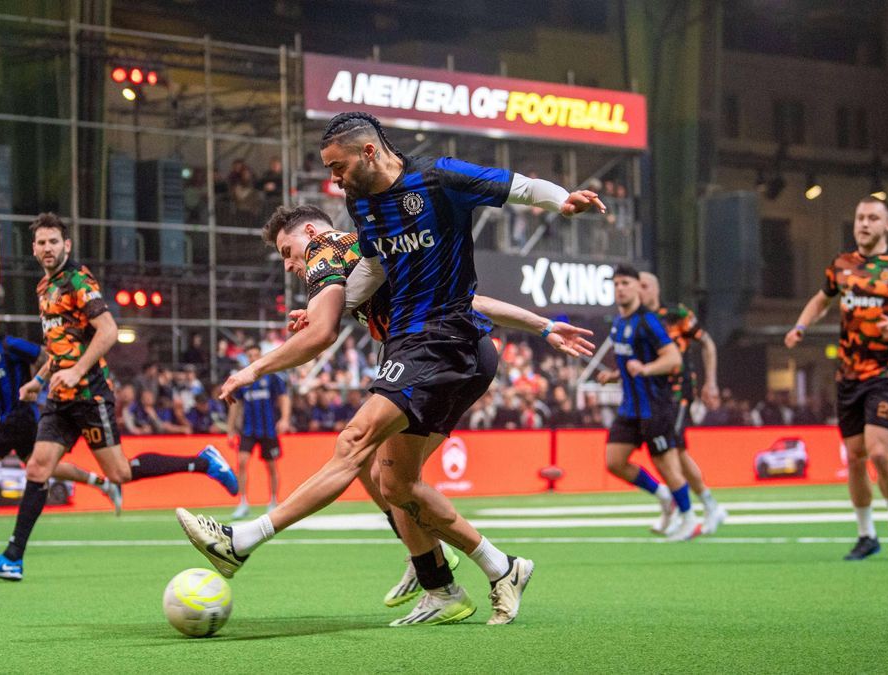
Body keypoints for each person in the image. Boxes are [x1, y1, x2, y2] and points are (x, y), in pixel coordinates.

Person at [176, 112, 601, 627]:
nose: (334, 179)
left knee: (354, 442)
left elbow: (520, 187)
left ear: (369, 152)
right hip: (428, 342)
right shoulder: (362, 208)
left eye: (338, 166)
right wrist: (541, 325)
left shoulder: (349, 234)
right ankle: (492, 568)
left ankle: (241, 541)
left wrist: (563, 200)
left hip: (439, 340)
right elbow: (386, 270)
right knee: (394, 483)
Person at [0, 214, 237, 580]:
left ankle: (203, 462)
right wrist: (40, 378)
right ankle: (13, 557)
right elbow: (57, 344)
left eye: (53, 242)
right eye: (41, 243)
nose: (47, 248)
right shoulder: (44, 288)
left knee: (119, 472)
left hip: (90, 392)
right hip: (60, 397)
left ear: (67, 245)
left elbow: (108, 331)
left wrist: (77, 371)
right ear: (33, 248)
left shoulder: (78, 280)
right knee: (37, 467)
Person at [784, 197, 888, 560]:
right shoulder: (842, 264)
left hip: (886, 372)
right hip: (848, 374)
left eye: (872, 218)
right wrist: (800, 326)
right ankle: (866, 534)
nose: (864, 224)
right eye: (859, 218)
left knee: (879, 451)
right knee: (854, 457)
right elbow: (821, 299)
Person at [0, 302, 126, 546]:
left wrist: (39, 384)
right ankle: (102, 483)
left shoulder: (12, 346)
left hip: (20, 417)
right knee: (43, 466)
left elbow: (50, 357)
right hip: (17, 422)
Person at [598, 266, 699, 541]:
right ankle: (663, 496)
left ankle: (690, 518)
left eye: (626, 283)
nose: (620, 288)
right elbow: (631, 362)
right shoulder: (619, 323)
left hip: (655, 406)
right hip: (629, 408)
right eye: (616, 283)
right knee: (614, 462)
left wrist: (645, 369)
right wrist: (614, 375)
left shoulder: (648, 321)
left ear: (637, 287)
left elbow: (673, 359)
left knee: (667, 466)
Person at [638, 271, 728, 535]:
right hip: (654, 394)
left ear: (655, 289)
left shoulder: (675, 314)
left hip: (678, 391)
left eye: (644, 286)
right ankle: (705, 505)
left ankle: (687, 509)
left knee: (672, 450)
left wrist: (711, 382)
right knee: (672, 451)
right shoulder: (639, 320)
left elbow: (707, 344)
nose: (638, 291)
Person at [228, 344, 290, 519]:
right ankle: (243, 503)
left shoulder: (272, 378)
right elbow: (236, 405)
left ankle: (272, 502)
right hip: (248, 429)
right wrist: (231, 428)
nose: (253, 358)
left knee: (271, 466)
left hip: (268, 430)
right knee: (241, 462)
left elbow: (283, 397)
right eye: (250, 355)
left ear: (260, 356)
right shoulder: (243, 380)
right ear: (247, 358)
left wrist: (285, 419)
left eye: (255, 355)